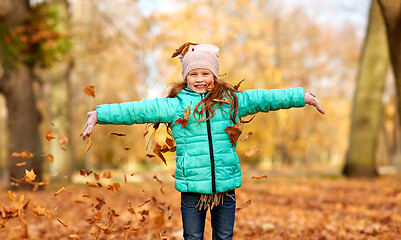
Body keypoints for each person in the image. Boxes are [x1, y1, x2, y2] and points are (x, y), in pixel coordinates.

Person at [82, 43, 325, 240]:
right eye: (193, 74)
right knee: (193, 236)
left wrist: (302, 96)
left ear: (214, 76)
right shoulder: (176, 105)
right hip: (191, 187)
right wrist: (100, 115)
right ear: (185, 77)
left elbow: (266, 98)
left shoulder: (231, 101)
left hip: (225, 185)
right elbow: (139, 110)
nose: (199, 79)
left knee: (224, 235)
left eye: (205, 73)